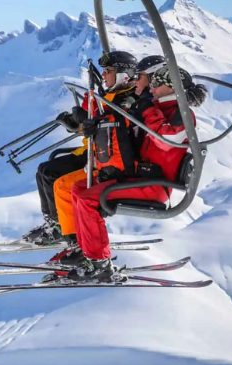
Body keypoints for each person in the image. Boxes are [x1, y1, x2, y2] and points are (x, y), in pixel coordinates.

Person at [62, 66, 208, 282]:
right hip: (140, 178)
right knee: (79, 188)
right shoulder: (156, 109)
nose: (153, 88)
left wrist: (148, 109)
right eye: (153, 83)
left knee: (87, 198)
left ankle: (99, 263)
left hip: (155, 185)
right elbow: (127, 138)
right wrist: (96, 127)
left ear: (173, 88)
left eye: (158, 84)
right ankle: (87, 252)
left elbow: (166, 141)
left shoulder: (182, 114)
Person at [22, 51, 138, 245]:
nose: (103, 75)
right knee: (45, 171)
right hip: (94, 151)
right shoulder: (109, 95)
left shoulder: (126, 101)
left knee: (54, 177)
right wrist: (75, 121)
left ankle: (61, 227)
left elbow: (113, 126)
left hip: (106, 157)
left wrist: (87, 121)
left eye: (108, 71)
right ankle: (54, 223)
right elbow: (93, 121)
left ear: (122, 74)